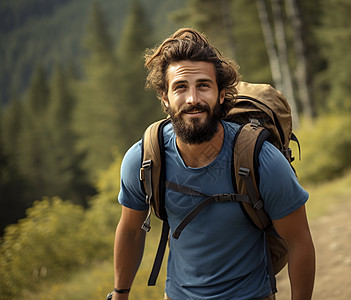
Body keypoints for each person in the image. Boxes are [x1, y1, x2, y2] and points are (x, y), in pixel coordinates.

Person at [111, 28, 315, 300]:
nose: (193, 99)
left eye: (203, 86)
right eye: (180, 87)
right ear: (165, 98)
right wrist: (120, 293)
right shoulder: (144, 159)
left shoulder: (261, 159)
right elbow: (131, 230)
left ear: (221, 95)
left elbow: (299, 241)